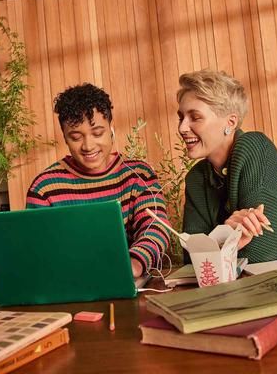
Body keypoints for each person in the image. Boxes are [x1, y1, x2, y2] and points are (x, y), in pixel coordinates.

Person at [177, 69, 277, 263]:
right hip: (258, 286)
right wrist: (227, 237)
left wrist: (220, 247)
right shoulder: (196, 178)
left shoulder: (254, 147)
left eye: (195, 117)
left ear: (230, 122)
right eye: (181, 117)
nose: (182, 128)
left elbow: (263, 253)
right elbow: (192, 261)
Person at [26, 83, 170, 277]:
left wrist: (134, 264)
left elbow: (155, 227)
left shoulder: (139, 175)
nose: (88, 145)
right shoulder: (45, 187)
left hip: (127, 279)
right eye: (76, 137)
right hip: (69, 283)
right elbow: (38, 249)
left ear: (111, 129)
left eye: (97, 133)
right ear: (65, 138)